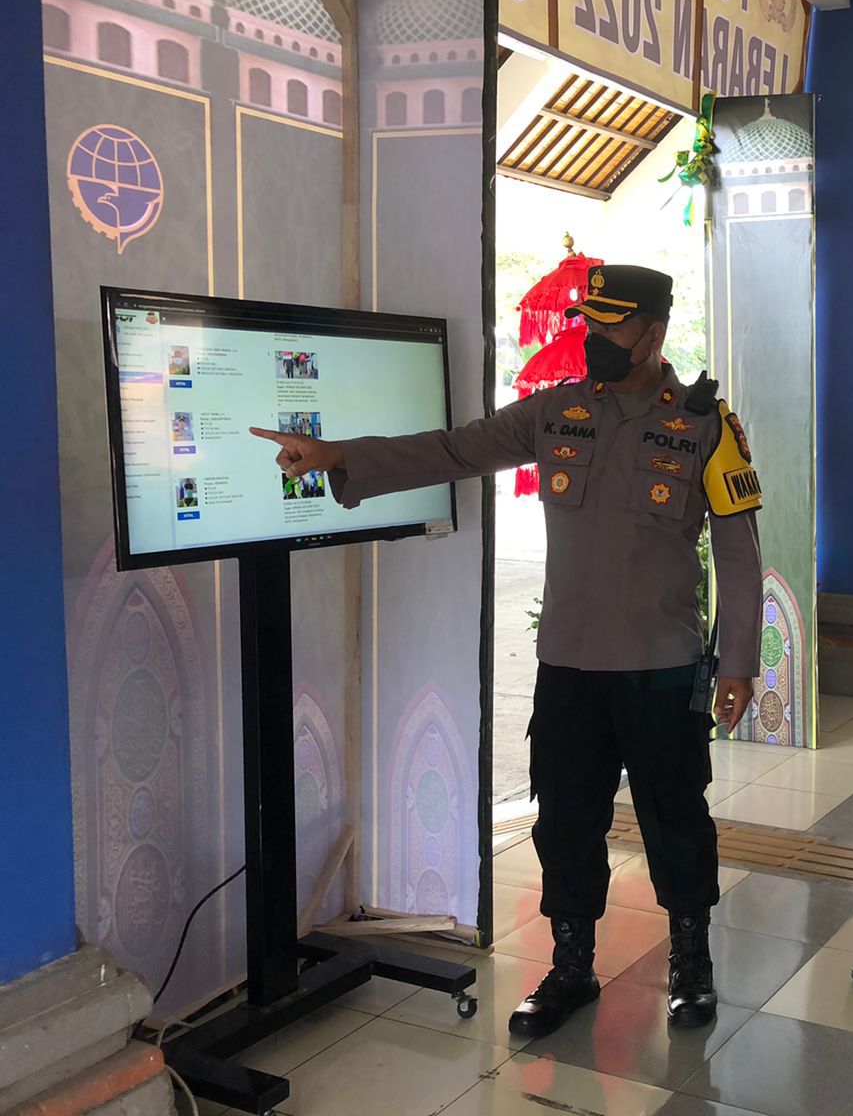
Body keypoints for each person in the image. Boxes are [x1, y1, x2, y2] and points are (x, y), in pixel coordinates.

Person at [250, 265, 764, 1040]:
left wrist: (738, 663)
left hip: (661, 666)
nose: (593, 339)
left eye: (610, 327)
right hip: (569, 666)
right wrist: (337, 456)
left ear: (653, 334)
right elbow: (454, 450)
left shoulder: (704, 425)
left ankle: (691, 962)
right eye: (588, 324)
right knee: (565, 822)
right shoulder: (557, 412)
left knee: (676, 818)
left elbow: (739, 552)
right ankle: (572, 966)